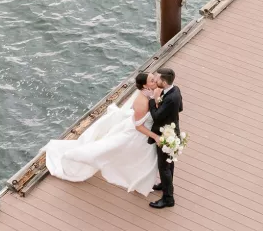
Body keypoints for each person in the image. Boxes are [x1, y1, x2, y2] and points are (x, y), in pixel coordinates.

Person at [45, 72, 161, 196]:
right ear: (145, 86)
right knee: (105, 150)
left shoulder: (152, 93)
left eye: (154, 78)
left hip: (143, 134)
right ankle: (72, 156)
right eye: (152, 80)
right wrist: (155, 136)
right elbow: (138, 126)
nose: (155, 81)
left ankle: (140, 182)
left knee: (142, 159)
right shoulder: (141, 102)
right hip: (136, 134)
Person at [148, 67, 183, 209]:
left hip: (167, 136)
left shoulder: (170, 98)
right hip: (173, 131)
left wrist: (153, 101)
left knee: (164, 167)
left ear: (164, 82)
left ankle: (168, 198)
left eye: (157, 79)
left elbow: (156, 116)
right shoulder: (175, 90)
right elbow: (180, 108)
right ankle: (165, 185)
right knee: (169, 164)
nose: (155, 80)